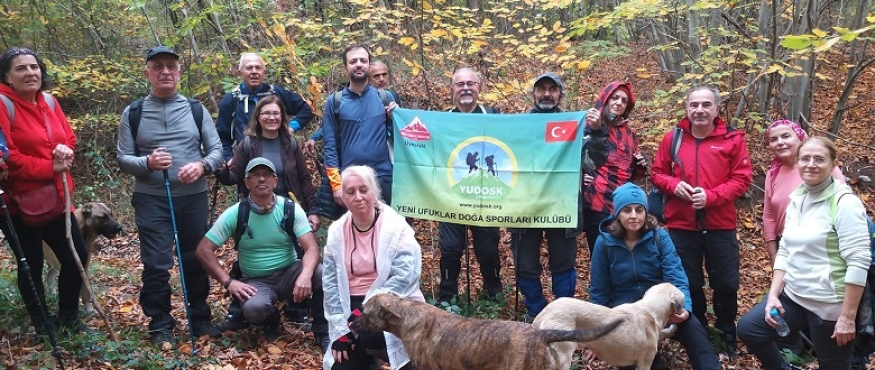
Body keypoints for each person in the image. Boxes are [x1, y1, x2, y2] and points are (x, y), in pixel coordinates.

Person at [116, 46, 224, 346]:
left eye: (171, 66)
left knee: (195, 256)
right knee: (156, 262)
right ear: (147, 73)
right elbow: (123, 158)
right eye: (158, 66)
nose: (165, 71)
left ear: (179, 72)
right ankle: (160, 322)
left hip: (192, 197)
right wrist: (147, 163)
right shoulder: (133, 112)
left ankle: (199, 316)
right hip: (151, 198)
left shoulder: (196, 110)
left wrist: (201, 166)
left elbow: (217, 151)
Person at [738, 137, 871, 370]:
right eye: (805, 158)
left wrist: (848, 317)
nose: (811, 164)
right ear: (797, 162)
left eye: (819, 159)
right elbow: (786, 250)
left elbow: (858, 262)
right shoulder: (798, 198)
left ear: (833, 165)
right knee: (750, 329)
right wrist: (773, 295)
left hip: (830, 305)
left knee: (833, 365)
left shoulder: (844, 203)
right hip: (794, 297)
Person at [651, 85, 752, 356]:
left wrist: (711, 197)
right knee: (689, 282)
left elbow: (742, 179)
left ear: (716, 109)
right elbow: (657, 173)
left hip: (720, 224)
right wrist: (674, 186)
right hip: (681, 226)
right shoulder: (673, 138)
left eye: (706, 104)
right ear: (687, 108)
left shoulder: (732, 139)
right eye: (694, 104)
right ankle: (698, 334)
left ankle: (726, 335)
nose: (699, 110)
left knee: (726, 282)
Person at [0, 47, 91, 335]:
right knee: (31, 263)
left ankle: (69, 316)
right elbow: (9, 157)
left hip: (57, 198)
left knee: (76, 255)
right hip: (17, 204)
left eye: (34, 67)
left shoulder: (50, 102)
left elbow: (69, 137)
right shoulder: (3, 104)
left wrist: (65, 150)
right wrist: (50, 167)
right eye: (21, 68)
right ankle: (42, 323)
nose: (30, 72)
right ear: (7, 77)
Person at [214, 96, 321, 332]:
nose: (271, 117)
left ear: (282, 117)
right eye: (266, 113)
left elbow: (303, 178)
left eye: (276, 113)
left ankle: (297, 310)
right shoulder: (248, 144)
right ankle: (246, 309)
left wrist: (313, 210)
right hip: (256, 210)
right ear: (258, 117)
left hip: (290, 211)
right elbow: (235, 175)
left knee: (298, 258)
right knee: (256, 257)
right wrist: (221, 172)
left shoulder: (290, 144)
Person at [196, 158, 329, 347]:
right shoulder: (236, 213)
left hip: (290, 272)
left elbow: (312, 248)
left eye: (266, 175)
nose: (261, 179)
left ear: (275, 181)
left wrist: (306, 275)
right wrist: (228, 282)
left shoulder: (290, 209)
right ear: (246, 182)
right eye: (255, 175)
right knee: (254, 309)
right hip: (256, 280)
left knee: (321, 273)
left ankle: (323, 331)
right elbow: (203, 250)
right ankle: (271, 318)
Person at [589, 183, 722, 370]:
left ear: (646, 212)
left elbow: (676, 277)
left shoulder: (659, 237)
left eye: (639, 210)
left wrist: (685, 309)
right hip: (627, 318)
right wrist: (596, 333)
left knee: (693, 328)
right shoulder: (604, 243)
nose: (634, 215)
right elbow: (599, 290)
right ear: (617, 214)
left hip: (661, 309)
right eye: (627, 210)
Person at [322, 165, 422, 370]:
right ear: (343, 197)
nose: (358, 197)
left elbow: (405, 276)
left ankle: (400, 360)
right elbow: (330, 284)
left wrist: (368, 307)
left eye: (363, 190)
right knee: (340, 367)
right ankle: (368, 359)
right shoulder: (336, 231)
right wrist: (341, 331)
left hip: (392, 303)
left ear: (374, 192)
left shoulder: (396, 226)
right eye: (350, 192)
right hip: (350, 306)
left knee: (373, 334)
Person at [511, 73, 581, 321]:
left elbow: (593, 161)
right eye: (541, 89)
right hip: (524, 206)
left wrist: (597, 133)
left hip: (561, 205)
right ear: (533, 94)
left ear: (561, 94)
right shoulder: (518, 127)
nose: (547, 94)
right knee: (525, 263)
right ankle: (536, 311)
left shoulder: (574, 125)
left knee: (563, 263)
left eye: (553, 89)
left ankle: (562, 315)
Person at [438, 68, 502, 305]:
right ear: (452, 90)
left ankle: (493, 294)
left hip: (485, 195)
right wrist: (395, 115)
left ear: (479, 87)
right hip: (451, 195)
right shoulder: (441, 121)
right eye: (460, 84)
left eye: (470, 83)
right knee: (450, 249)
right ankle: (448, 298)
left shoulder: (494, 117)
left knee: (488, 249)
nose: (465, 88)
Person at [322, 44, 397, 209]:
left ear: (369, 65)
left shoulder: (385, 97)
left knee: (385, 224)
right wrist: (336, 185)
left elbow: (400, 138)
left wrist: (396, 118)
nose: (358, 64)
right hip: (350, 179)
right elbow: (329, 145)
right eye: (353, 61)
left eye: (363, 60)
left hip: (383, 177)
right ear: (345, 67)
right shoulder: (335, 102)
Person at [762, 119, 844, 266]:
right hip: (786, 246)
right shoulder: (772, 174)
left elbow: (843, 204)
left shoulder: (823, 168)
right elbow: (769, 217)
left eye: (786, 136)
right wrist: (774, 255)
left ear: (800, 138)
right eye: (773, 139)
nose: (780, 142)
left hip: (823, 244)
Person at [581, 81, 648, 255]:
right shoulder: (589, 126)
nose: (619, 103)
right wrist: (580, 178)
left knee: (623, 255)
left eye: (624, 101)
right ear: (606, 99)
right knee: (601, 255)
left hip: (623, 204)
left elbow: (631, 173)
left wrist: (640, 165)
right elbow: (576, 159)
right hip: (596, 201)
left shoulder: (629, 134)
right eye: (615, 98)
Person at [216, 52, 314, 162]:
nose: (254, 72)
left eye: (258, 68)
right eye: (249, 68)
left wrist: (291, 127)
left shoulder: (276, 93)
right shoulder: (232, 100)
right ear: (240, 73)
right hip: (245, 160)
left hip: (280, 157)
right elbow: (222, 136)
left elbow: (307, 109)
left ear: (264, 72)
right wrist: (229, 158)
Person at [305, 60, 401, 157]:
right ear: (367, 78)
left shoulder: (391, 96)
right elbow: (337, 125)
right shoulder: (350, 99)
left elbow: (402, 127)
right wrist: (314, 137)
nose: (381, 79)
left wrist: (396, 115)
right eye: (376, 76)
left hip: (389, 155)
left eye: (384, 74)